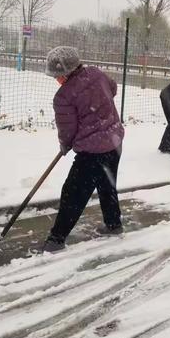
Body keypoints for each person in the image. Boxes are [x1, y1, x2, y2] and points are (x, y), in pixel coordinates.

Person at [43, 46, 125, 252]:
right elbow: (113, 88)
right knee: (107, 185)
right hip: (114, 143)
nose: (57, 80)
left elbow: (67, 130)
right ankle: (114, 224)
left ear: (68, 72)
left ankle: (56, 238)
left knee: (73, 193)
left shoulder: (63, 97)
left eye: (59, 76)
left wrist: (65, 144)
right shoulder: (96, 73)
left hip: (92, 151)